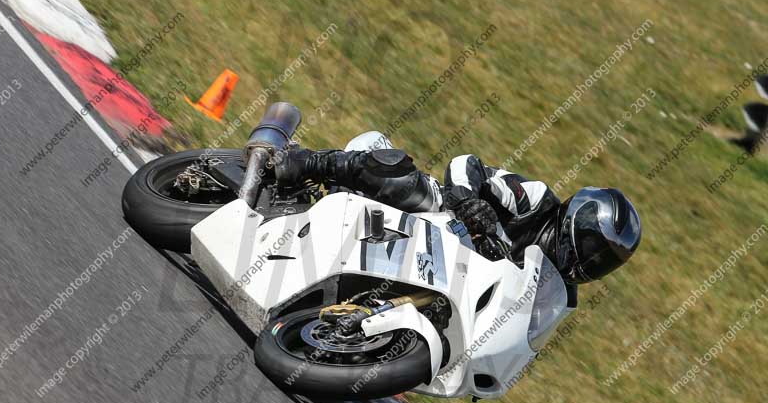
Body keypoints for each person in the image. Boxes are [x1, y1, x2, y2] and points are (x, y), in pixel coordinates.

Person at [274, 131, 641, 286]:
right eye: (595, 253)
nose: (591, 265)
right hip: (440, 223)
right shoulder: (536, 201)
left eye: (603, 263)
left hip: (450, 277)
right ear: (576, 226)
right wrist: (471, 203)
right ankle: (306, 162)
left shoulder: (556, 290)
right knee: (417, 189)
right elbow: (466, 163)